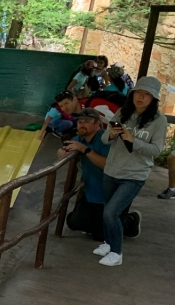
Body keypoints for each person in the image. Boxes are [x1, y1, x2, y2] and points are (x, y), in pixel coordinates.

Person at [95, 76, 168, 266]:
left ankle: (116, 252)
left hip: (135, 174)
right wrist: (111, 134)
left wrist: (134, 140)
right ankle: (107, 243)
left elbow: (156, 150)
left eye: (146, 95)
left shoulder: (158, 121)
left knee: (111, 212)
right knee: (107, 209)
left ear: (154, 99)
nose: (141, 98)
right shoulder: (122, 112)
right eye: (138, 93)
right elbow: (104, 140)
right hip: (112, 169)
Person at [59, 109, 138, 241]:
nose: (81, 124)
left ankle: (131, 220)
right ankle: (98, 223)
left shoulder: (105, 139)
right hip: (92, 194)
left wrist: (84, 150)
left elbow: (107, 165)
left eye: (87, 121)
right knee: (74, 223)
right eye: (79, 121)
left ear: (98, 124)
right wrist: (64, 152)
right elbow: (62, 152)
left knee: (101, 235)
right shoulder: (79, 139)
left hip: (114, 192)